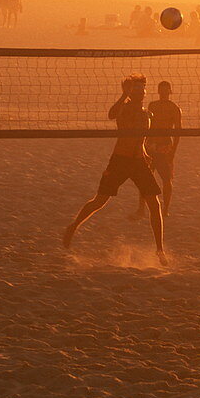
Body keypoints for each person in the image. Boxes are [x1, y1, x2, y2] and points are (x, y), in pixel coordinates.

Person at [63, 74, 168, 265]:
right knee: (100, 200)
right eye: (136, 88)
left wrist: (145, 153)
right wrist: (123, 96)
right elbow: (111, 114)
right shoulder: (124, 108)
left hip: (139, 163)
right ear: (129, 91)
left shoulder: (146, 114)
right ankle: (73, 226)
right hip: (120, 160)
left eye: (142, 88)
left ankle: (159, 250)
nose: (141, 91)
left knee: (155, 204)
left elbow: (141, 138)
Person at [132, 81, 182, 219]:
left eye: (166, 91)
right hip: (150, 146)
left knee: (166, 179)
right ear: (159, 91)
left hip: (165, 148)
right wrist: (142, 145)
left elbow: (178, 133)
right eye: (162, 90)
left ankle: (165, 209)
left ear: (169, 92)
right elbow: (146, 127)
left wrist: (173, 152)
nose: (164, 93)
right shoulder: (152, 106)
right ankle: (141, 209)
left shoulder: (174, 108)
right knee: (145, 178)